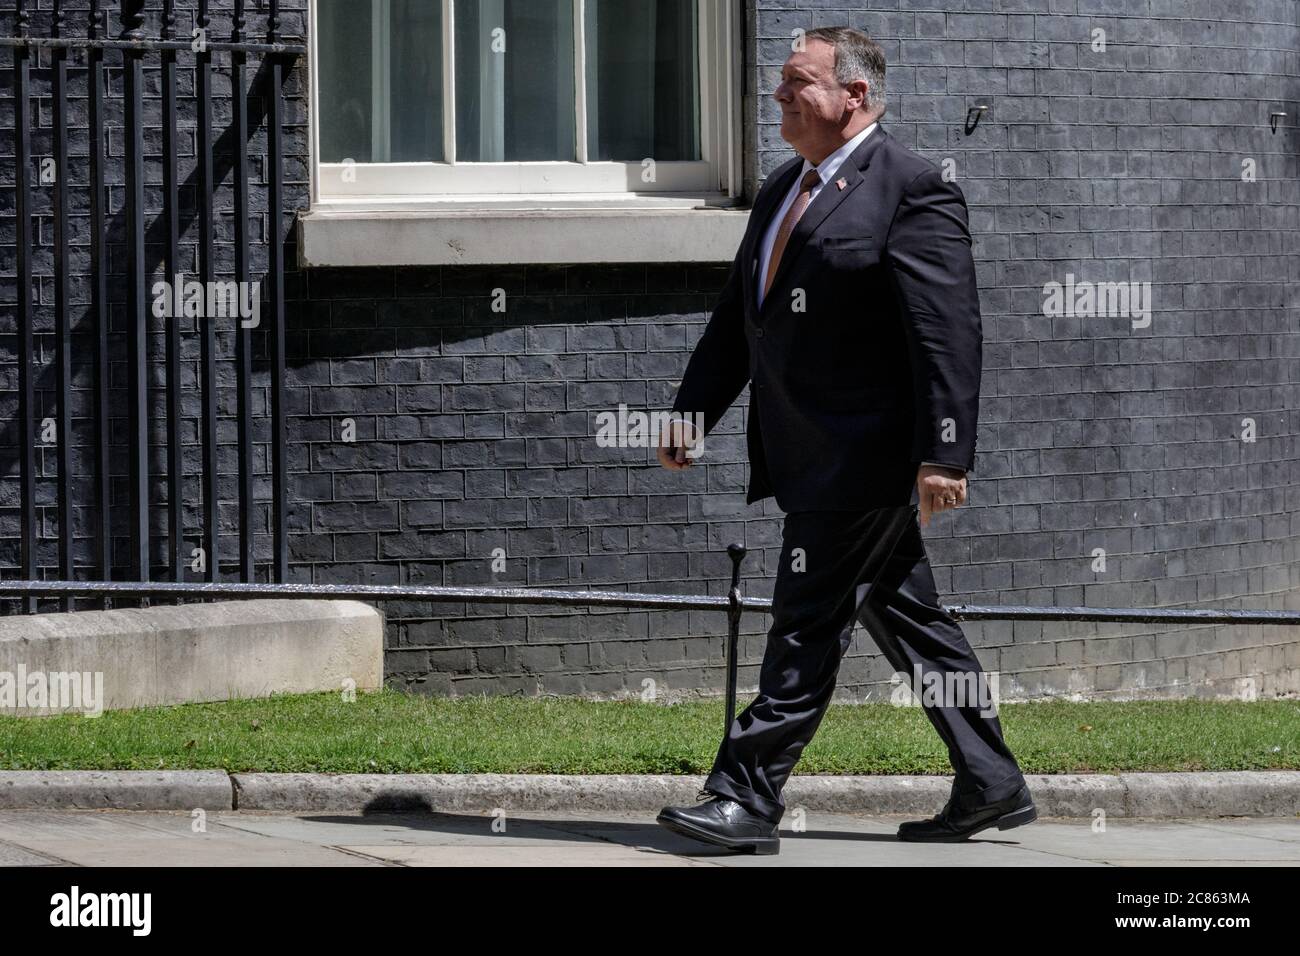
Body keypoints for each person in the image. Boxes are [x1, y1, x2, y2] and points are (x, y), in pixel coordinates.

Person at [654, 26, 1035, 855]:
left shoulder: (913, 188)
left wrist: (945, 453)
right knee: (906, 617)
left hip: (866, 457)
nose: (781, 95)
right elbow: (739, 319)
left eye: (798, 82)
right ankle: (990, 777)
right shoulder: (783, 188)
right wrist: (693, 411)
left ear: (853, 95)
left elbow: (948, 332)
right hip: (807, 452)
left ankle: (745, 798)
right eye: (783, 83)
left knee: (806, 620)